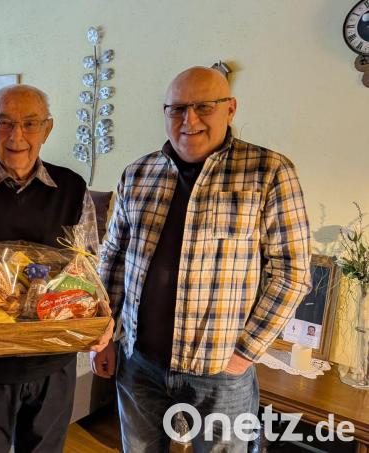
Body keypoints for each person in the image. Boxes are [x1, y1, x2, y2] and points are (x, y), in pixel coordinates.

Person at [94, 66, 311, 452]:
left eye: (203, 107)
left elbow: (292, 273)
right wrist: (104, 336)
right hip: (139, 363)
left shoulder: (269, 172)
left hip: (221, 372)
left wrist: (246, 353)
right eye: (176, 109)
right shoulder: (138, 174)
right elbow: (112, 258)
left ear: (230, 109)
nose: (188, 120)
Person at [0, 84, 113, 453]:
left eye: (30, 123)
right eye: (5, 123)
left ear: (47, 130)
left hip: (54, 360)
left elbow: (89, 269)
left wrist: (102, 319)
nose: (17, 135)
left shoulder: (71, 188)